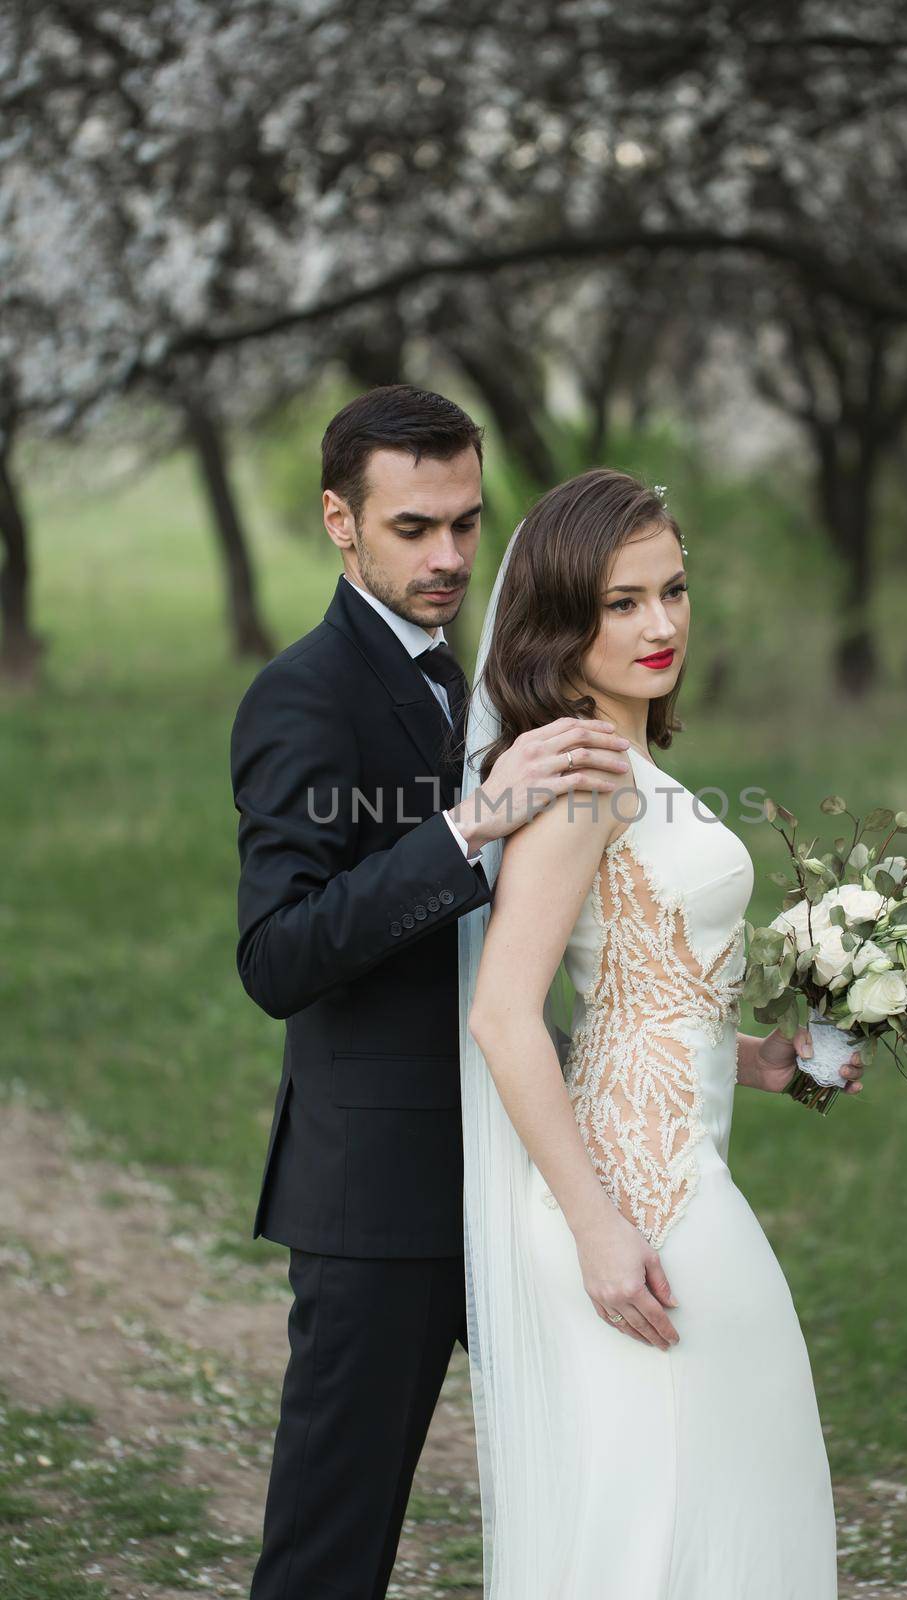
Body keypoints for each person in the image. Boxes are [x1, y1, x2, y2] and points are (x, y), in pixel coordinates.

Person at [229, 386, 642, 1599]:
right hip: (378, 1196)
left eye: (467, 521)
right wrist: (469, 824)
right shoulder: (301, 694)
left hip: (509, 1163)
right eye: (414, 527)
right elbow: (278, 955)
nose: (452, 555)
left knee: (588, 1480)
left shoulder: (461, 678)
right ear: (339, 522)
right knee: (329, 1548)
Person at [458, 468, 861, 1598]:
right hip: (636, 1208)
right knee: (673, 1515)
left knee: (709, 1497)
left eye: (671, 589)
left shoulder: (627, 764)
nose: (660, 623)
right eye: (620, 602)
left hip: (673, 1178)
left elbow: (628, 993)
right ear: (560, 621)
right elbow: (501, 1013)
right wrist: (596, 1227)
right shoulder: (581, 773)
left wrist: (760, 1059)